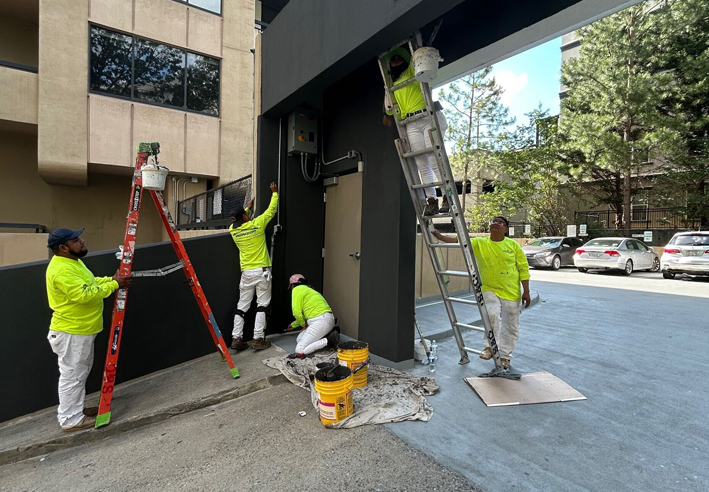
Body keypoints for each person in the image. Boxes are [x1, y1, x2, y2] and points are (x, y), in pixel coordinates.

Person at [45, 228, 131, 432]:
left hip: (78, 330)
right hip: (72, 332)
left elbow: (90, 284)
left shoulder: (72, 262)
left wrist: (110, 281)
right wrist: (114, 284)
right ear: (63, 248)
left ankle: (75, 411)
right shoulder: (62, 270)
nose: (82, 241)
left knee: (77, 374)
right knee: (73, 375)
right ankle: (71, 419)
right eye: (75, 240)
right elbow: (84, 294)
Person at [433, 216, 531, 369]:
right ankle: (490, 347)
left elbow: (523, 269)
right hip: (489, 288)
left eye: (500, 223)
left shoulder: (513, 246)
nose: (496, 223)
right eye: (494, 221)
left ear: (506, 229)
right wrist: (439, 237)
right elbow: (459, 241)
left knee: (511, 326)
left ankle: (505, 356)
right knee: (491, 315)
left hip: (511, 292)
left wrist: (526, 291)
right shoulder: (480, 243)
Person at [384, 47, 449, 216]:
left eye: (399, 58)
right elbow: (390, 109)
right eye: (393, 59)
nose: (396, 60)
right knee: (421, 163)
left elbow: (418, 60)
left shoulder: (411, 71)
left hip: (426, 116)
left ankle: (447, 196)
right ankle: (431, 200)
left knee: (434, 158)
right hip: (410, 123)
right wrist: (386, 90)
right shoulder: (392, 85)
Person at [229, 182, 278, 351]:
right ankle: (258, 339)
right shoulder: (257, 225)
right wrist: (274, 193)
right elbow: (271, 210)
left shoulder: (233, 231)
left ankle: (236, 338)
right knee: (262, 305)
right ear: (244, 216)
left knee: (241, 307)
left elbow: (240, 220)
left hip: (246, 274)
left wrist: (247, 209)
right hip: (262, 272)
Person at [286, 274, 340, 357]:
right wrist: (294, 325)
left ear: (293, 285)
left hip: (320, 321)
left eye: (291, 287)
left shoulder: (297, 289)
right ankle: (330, 333)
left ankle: (329, 340)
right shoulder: (310, 290)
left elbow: (296, 312)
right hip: (327, 319)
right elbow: (307, 314)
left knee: (299, 350)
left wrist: (303, 325)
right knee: (299, 339)